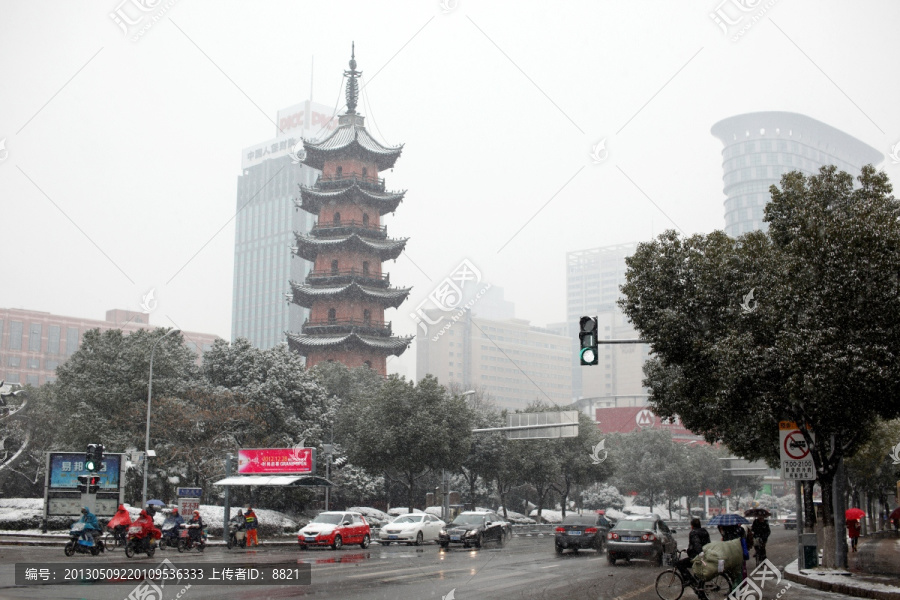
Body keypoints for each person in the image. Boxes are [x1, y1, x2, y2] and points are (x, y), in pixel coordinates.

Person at [677, 518, 711, 598]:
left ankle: (689, 580)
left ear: (692, 526)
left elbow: (696, 543)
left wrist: (700, 553)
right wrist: (689, 549)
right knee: (698, 575)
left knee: (679, 564)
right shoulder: (704, 531)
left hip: (697, 557)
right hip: (706, 555)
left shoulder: (693, 533)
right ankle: (700, 591)